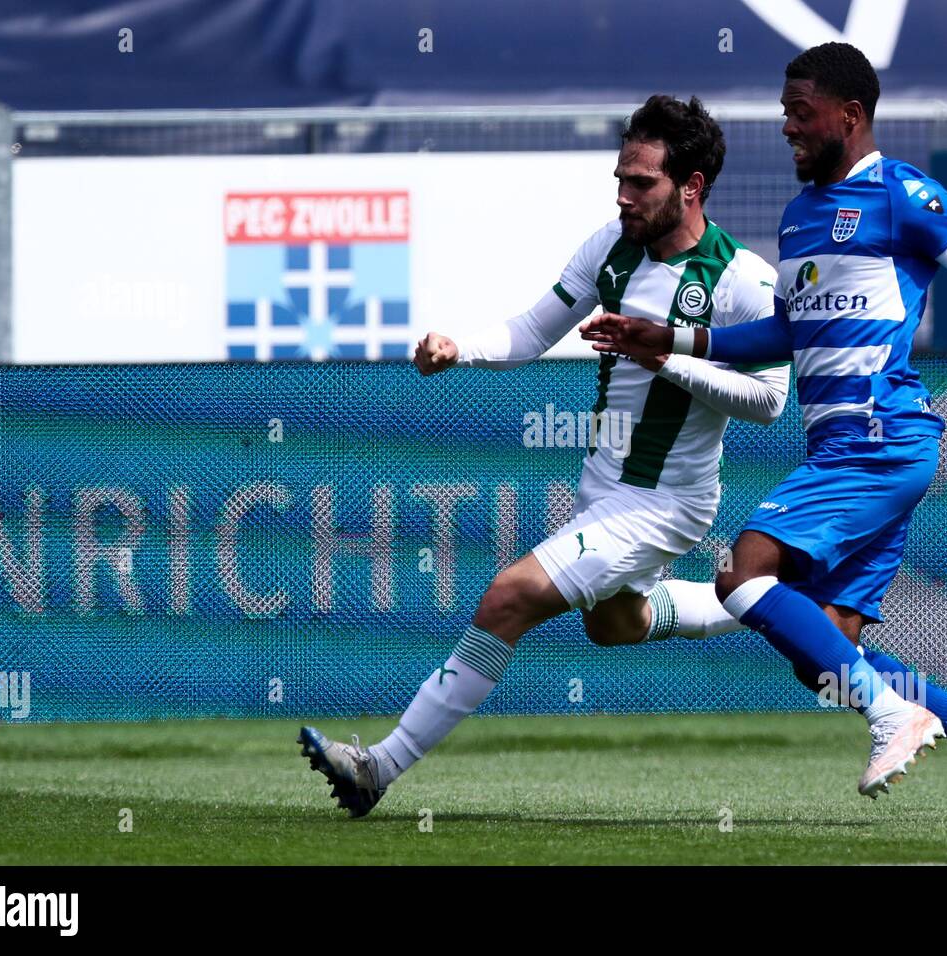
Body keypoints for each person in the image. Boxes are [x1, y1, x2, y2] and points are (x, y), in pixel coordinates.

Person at [581, 44, 947, 823]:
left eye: (800, 112)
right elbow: (787, 331)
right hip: (848, 448)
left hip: (880, 435)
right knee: (829, 655)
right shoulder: (801, 214)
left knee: (742, 575)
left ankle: (894, 716)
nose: (786, 126)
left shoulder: (901, 193)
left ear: (850, 116)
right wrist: (668, 338)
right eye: (784, 111)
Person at [299, 94, 789, 817]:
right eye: (621, 178)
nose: (624, 195)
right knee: (614, 624)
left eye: (641, 183)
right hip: (604, 491)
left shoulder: (742, 278)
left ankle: (380, 766)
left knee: (508, 597)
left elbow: (771, 401)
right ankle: (762, 598)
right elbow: (530, 333)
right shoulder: (610, 248)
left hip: (668, 504)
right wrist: (457, 348)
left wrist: (665, 359)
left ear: (691, 187)